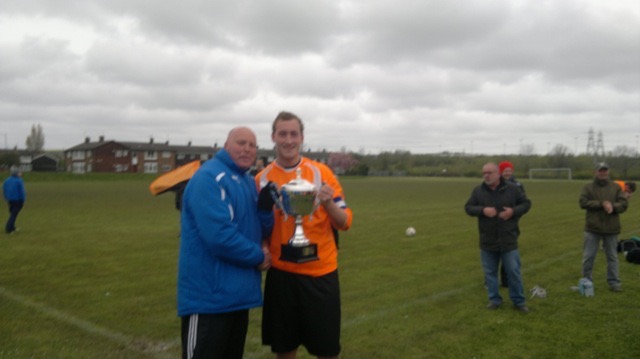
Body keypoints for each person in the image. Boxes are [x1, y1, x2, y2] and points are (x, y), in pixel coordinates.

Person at [256, 111, 353, 359]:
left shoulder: (321, 173)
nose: (288, 140)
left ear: (302, 137)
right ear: (273, 137)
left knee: (327, 351)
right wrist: (263, 247)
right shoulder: (261, 179)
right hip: (281, 276)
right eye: (283, 134)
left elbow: (345, 222)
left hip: (320, 274)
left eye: (293, 134)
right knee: (285, 350)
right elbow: (257, 224)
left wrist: (328, 203)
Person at [177, 127, 274, 359]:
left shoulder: (249, 182)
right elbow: (219, 238)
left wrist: (265, 210)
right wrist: (259, 256)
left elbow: (255, 230)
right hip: (209, 299)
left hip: (237, 298)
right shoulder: (209, 177)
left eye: (252, 145)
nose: (247, 149)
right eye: (241, 143)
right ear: (226, 145)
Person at [465, 163, 532, 313]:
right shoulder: (478, 191)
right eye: (484, 173)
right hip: (487, 240)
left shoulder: (512, 189)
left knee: (513, 272)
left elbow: (526, 204)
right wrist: (483, 210)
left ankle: (519, 301)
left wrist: (513, 211)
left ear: (498, 174)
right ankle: (494, 300)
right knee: (490, 274)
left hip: (508, 239)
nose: (486, 176)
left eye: (489, 172)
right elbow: (468, 208)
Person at [579, 162, 628, 292]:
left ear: (608, 172)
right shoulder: (588, 187)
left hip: (611, 228)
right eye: (600, 170)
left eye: (605, 170)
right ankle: (587, 282)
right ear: (595, 172)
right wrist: (601, 204)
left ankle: (614, 283)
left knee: (612, 257)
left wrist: (612, 206)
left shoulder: (616, 187)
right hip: (592, 228)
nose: (603, 173)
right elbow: (583, 203)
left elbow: (623, 204)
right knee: (588, 256)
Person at [3, 166, 26, 234]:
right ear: (16, 173)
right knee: (14, 214)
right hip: (18, 200)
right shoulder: (19, 180)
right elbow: (22, 191)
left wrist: (6, 197)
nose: (20, 173)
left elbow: (4, 190)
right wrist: (23, 199)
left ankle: (12, 227)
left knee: (13, 213)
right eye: (19, 172)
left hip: (10, 200)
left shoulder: (7, 180)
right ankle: (8, 228)